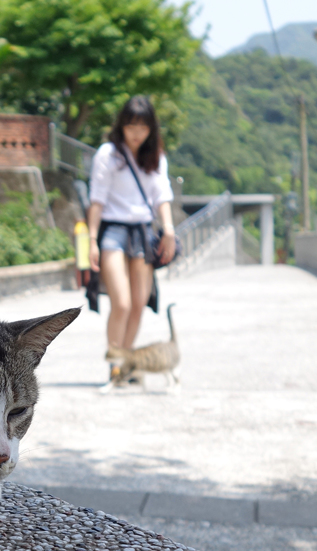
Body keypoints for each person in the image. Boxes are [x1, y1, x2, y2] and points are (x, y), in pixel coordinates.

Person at [87, 95, 176, 371]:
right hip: (113, 230)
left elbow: (162, 196)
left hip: (142, 231)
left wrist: (169, 229)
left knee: (139, 304)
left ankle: (125, 366)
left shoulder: (156, 157)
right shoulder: (108, 155)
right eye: (131, 126)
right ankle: (115, 366)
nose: (136, 133)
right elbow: (97, 200)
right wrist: (91, 240)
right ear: (122, 126)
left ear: (151, 128)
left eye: (143, 127)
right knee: (122, 303)